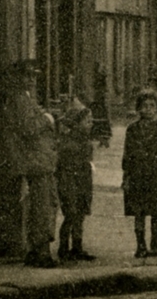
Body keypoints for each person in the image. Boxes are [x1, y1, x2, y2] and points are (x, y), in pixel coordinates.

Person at [5, 61, 60, 267]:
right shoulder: (20, 99)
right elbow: (27, 128)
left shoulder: (27, 97)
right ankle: (41, 252)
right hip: (35, 159)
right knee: (42, 205)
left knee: (44, 203)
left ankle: (36, 249)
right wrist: (47, 119)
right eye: (26, 75)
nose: (30, 80)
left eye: (33, 76)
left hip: (40, 158)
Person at [122, 89, 157, 258]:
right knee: (139, 212)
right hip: (137, 176)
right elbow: (127, 154)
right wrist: (126, 176)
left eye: (152, 106)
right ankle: (140, 245)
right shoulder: (132, 129)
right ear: (138, 108)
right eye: (144, 106)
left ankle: (154, 243)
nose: (148, 109)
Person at [54, 89, 96, 262]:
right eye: (87, 121)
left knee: (79, 215)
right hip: (70, 181)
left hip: (82, 181)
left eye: (91, 120)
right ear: (77, 124)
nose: (91, 123)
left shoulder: (85, 141)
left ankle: (77, 247)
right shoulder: (68, 144)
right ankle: (64, 247)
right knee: (71, 215)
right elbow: (63, 168)